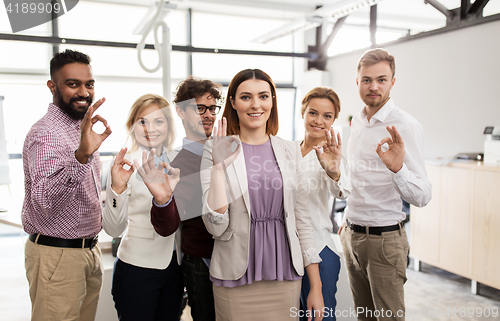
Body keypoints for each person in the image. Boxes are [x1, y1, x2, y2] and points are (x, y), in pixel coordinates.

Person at [200, 69, 324, 321]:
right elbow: (215, 227)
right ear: (233, 103)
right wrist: (218, 168)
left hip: (285, 274)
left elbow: (302, 221)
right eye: (246, 97)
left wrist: (316, 287)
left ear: (272, 101)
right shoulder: (215, 149)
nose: (256, 104)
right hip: (234, 277)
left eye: (263, 96)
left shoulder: (290, 151)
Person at [339, 48, 432, 320]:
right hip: (352, 234)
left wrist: (398, 168)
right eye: (366, 80)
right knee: (364, 317)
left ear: (393, 82)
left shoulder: (405, 125)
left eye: (381, 79)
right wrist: (349, 218)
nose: (374, 86)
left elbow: (423, 196)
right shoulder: (358, 121)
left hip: (384, 240)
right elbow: (359, 179)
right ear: (357, 82)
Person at [22, 49, 111, 321]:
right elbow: (45, 203)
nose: (84, 92)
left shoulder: (78, 128)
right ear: (53, 86)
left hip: (86, 250)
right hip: (57, 255)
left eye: (89, 84)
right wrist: (81, 156)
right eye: (73, 84)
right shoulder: (46, 133)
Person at [102, 94, 184, 321]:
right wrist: (118, 189)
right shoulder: (124, 163)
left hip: (174, 268)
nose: (150, 128)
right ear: (132, 125)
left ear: (168, 125)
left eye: (158, 121)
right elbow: (113, 229)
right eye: (142, 121)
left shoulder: (179, 160)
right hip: (137, 268)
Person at [151, 77, 222, 321]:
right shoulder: (177, 165)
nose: (208, 115)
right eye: (199, 108)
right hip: (200, 261)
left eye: (212, 108)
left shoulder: (228, 151)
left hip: (233, 255)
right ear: (180, 111)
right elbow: (171, 223)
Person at [298, 87, 351, 321]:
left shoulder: (333, 155)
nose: (319, 121)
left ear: (333, 120)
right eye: (313, 113)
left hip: (319, 252)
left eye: (327, 116)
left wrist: (333, 171)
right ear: (302, 112)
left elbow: (342, 191)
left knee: (320, 318)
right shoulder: (286, 150)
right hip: (286, 253)